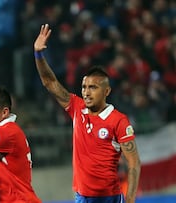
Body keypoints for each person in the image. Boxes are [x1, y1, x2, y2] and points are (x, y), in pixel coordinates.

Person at [33, 24, 141, 203]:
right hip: (82, 198)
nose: (87, 92)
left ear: (106, 91)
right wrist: (38, 54)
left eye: (93, 87)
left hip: (110, 198)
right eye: (84, 87)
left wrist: (130, 199)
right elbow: (49, 82)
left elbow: (134, 163)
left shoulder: (119, 121)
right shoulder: (77, 107)